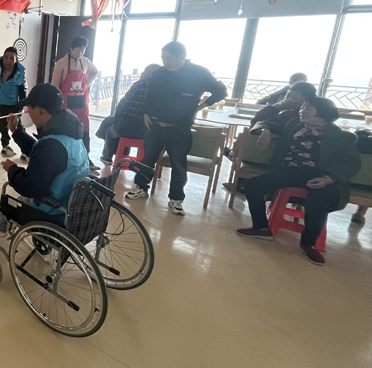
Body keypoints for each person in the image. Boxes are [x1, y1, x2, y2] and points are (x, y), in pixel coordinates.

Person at [236, 97, 361, 266]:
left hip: (320, 175)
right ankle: (261, 228)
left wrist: (328, 179)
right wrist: (265, 131)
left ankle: (308, 243)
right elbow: (264, 122)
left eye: (308, 108)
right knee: (252, 184)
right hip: (289, 171)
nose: (303, 110)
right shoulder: (293, 125)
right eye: (302, 107)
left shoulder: (342, 136)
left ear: (322, 112)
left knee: (320, 198)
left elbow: (351, 163)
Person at [125, 41, 227, 216]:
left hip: (180, 127)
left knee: (178, 163)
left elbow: (221, 91)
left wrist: (199, 107)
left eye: (169, 58)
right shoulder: (159, 73)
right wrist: (146, 113)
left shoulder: (198, 73)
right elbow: (150, 95)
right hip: (155, 124)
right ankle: (141, 187)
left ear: (181, 57)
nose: (165, 62)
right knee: (147, 158)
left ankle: (176, 198)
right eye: (163, 58)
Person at [0, 83, 89, 234]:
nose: (28, 113)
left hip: (54, 212)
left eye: (29, 109)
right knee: (21, 199)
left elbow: (30, 187)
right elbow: (42, 155)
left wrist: (12, 169)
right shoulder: (69, 133)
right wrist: (17, 132)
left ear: (39, 110)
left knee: (15, 199)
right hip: (73, 204)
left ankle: (2, 225)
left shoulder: (51, 146)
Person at [222, 81, 317, 192]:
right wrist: (267, 126)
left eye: (294, 98)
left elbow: (255, 122)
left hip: (271, 157)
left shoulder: (299, 118)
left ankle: (234, 159)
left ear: (307, 101)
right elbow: (258, 123)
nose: (289, 100)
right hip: (263, 155)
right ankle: (241, 178)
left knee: (242, 141)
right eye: (287, 96)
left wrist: (275, 108)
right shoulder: (285, 113)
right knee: (244, 140)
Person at [51, 36, 99, 172]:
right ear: (71, 49)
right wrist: (56, 103)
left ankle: (86, 158)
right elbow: (55, 85)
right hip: (66, 104)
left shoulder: (86, 62)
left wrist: (87, 84)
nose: (80, 53)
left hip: (82, 104)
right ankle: (67, 158)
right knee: (66, 130)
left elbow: (94, 71)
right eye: (78, 50)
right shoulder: (61, 64)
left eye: (83, 51)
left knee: (84, 130)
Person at [99, 64, 161, 164]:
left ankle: (107, 157)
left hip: (126, 126)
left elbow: (123, 103)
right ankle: (123, 156)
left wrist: (116, 116)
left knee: (110, 130)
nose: (142, 73)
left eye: (145, 71)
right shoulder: (160, 90)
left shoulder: (140, 85)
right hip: (145, 131)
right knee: (116, 127)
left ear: (150, 73)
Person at [0, 46, 28, 158]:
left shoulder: (21, 71)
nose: (8, 61)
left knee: (18, 128)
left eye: (11, 58)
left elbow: (23, 89)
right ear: (3, 57)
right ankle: (5, 146)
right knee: (2, 126)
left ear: (16, 59)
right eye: (6, 57)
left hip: (13, 104)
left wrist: (21, 107)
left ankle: (26, 150)